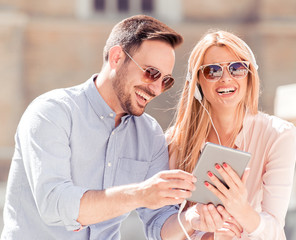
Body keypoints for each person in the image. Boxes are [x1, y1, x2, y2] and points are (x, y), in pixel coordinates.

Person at [1, 15, 201, 240]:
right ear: (116, 58)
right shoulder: (52, 112)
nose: (156, 88)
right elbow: (54, 203)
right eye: (151, 73)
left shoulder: (150, 135)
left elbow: (159, 222)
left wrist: (193, 219)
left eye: (165, 81)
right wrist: (140, 194)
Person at [166, 30, 296, 239]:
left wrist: (240, 209)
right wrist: (203, 230)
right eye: (212, 71)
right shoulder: (175, 141)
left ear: (249, 76)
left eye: (237, 68)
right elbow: (163, 230)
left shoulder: (278, 134)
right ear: (198, 82)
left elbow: (275, 231)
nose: (226, 78)